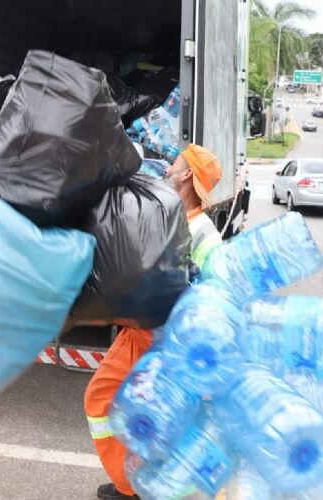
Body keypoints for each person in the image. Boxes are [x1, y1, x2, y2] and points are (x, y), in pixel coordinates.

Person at [83, 144, 224, 500]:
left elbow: (219, 296)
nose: (166, 171)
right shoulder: (165, 214)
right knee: (118, 405)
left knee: (109, 403)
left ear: (188, 174)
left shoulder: (204, 234)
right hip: (138, 333)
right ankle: (136, 483)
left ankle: (136, 487)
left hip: (161, 343)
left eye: (174, 166)